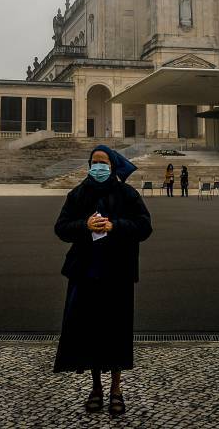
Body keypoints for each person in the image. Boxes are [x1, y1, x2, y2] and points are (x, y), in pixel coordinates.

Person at [54, 145, 153, 417]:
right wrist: (84, 226)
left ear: (112, 166)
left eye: (103, 162)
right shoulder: (78, 194)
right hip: (86, 273)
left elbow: (145, 226)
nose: (98, 167)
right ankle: (96, 388)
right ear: (89, 165)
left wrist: (115, 226)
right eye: (95, 162)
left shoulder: (126, 194)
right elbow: (61, 228)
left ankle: (116, 389)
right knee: (91, 332)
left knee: (116, 332)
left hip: (117, 273)